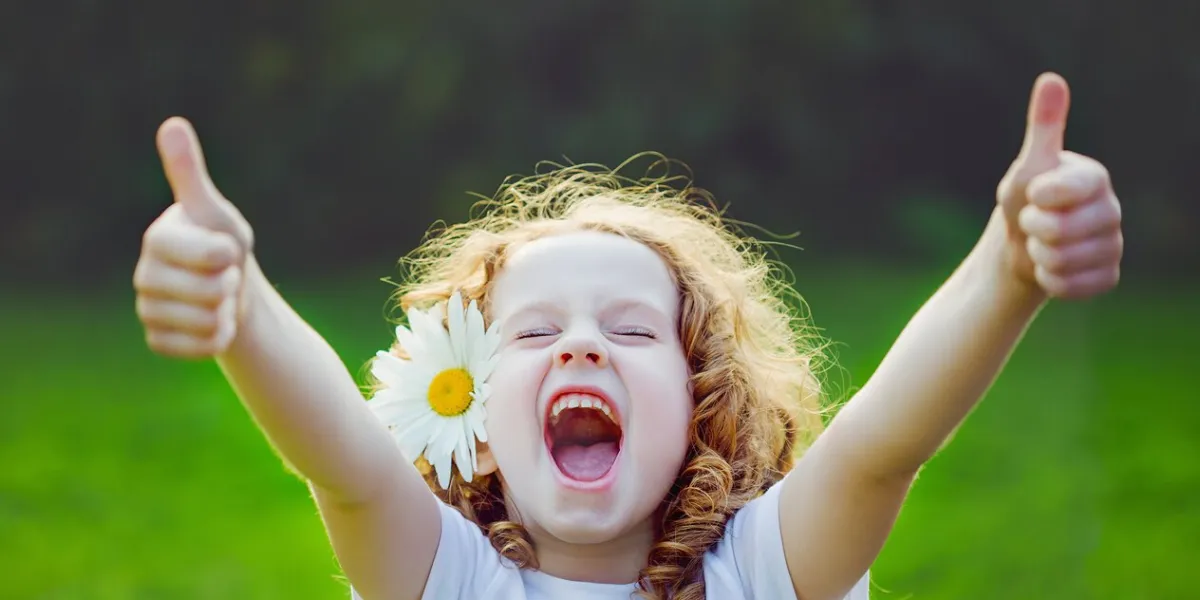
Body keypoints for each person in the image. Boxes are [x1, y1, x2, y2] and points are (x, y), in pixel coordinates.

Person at [131, 72, 1124, 600]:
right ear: (473, 416)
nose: (582, 346)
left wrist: (1008, 268)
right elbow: (344, 463)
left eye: (634, 329)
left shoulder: (760, 574)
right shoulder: (450, 581)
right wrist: (240, 305)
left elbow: (880, 448)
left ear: (701, 404)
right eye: (533, 332)